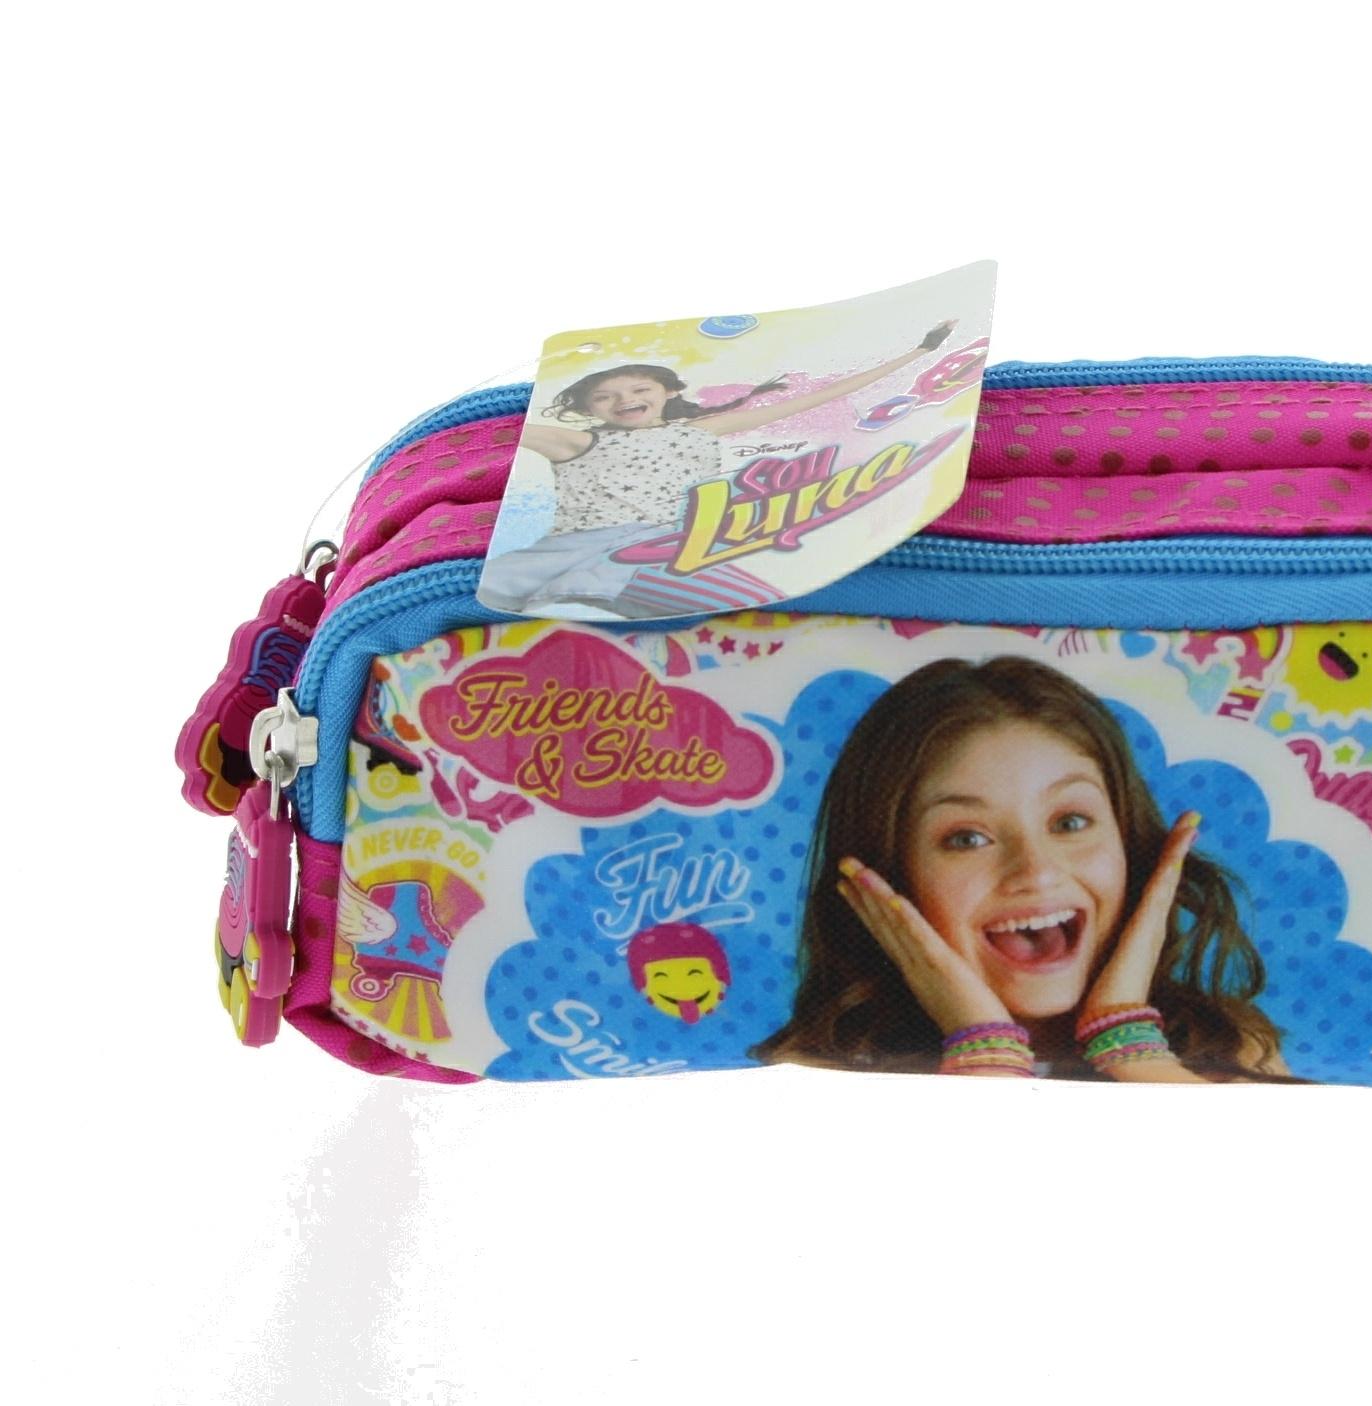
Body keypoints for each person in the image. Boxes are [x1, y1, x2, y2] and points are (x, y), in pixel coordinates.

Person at [754, 656, 1291, 1081]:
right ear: (888, 878)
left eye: (1070, 822)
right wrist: (984, 1052)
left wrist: (1130, 1046)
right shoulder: (822, 1072)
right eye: (967, 838)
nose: (1035, 872)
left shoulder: (1231, 1047)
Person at [480, 322, 953, 616]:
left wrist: (920, 351)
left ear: (667, 392)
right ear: (588, 408)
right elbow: (508, 434)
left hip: (663, 546)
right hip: (578, 546)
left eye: (640, 389)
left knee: (579, 596)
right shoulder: (579, 440)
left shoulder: (702, 430)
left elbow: (818, 397)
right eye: (604, 396)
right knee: (505, 591)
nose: (624, 400)